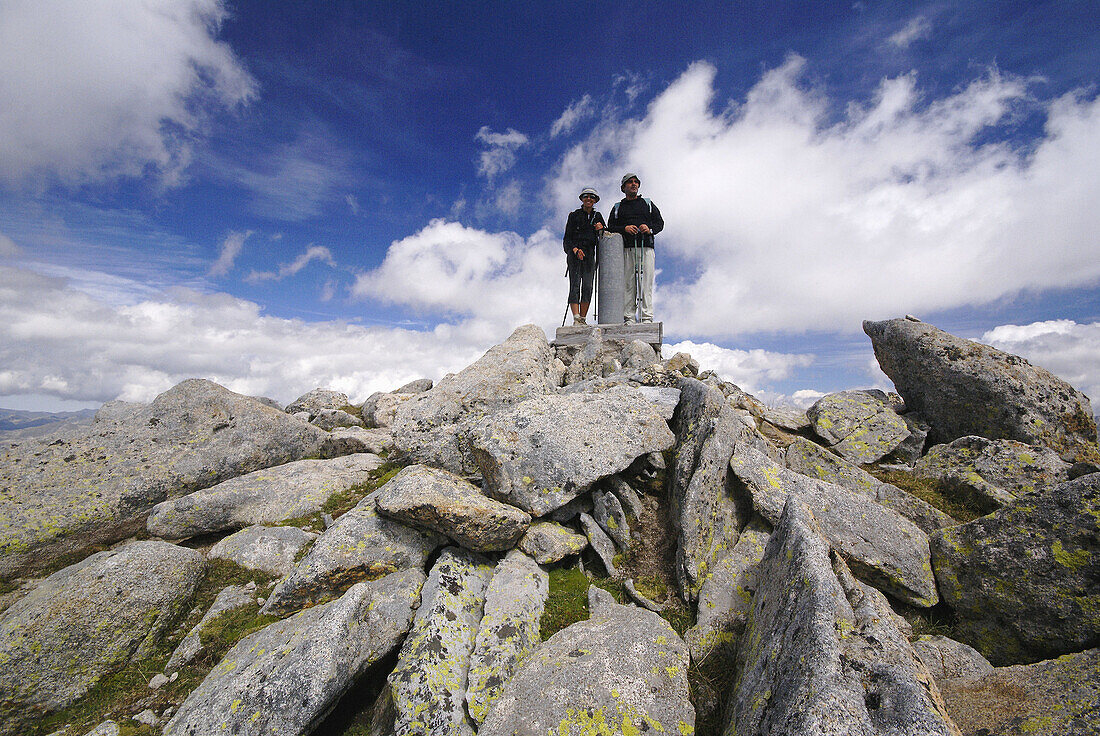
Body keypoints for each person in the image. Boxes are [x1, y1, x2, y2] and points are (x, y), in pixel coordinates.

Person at [607, 172, 663, 323]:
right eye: (630, 182)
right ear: (623, 187)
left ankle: (646, 317)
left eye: (636, 182)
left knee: (647, 282)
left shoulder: (648, 203)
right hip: (627, 248)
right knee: (628, 283)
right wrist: (624, 228)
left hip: (647, 247)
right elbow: (610, 226)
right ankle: (629, 317)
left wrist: (649, 228)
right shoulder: (618, 207)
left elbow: (660, 224)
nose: (633, 184)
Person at [562, 186, 605, 325]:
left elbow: (604, 234)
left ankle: (583, 318)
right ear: (582, 199)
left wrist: (601, 229)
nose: (589, 199)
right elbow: (567, 238)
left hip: (590, 254)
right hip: (574, 254)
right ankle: (576, 318)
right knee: (574, 285)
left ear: (595, 201)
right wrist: (574, 249)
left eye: (592, 197)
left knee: (588, 286)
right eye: (586, 196)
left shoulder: (597, 216)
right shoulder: (574, 215)